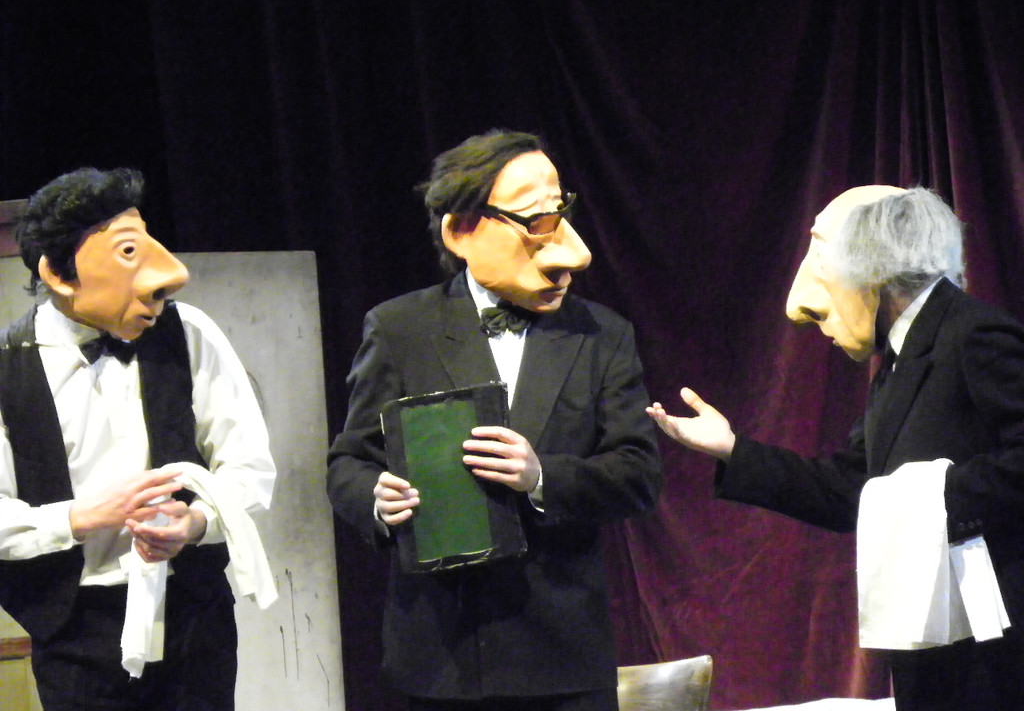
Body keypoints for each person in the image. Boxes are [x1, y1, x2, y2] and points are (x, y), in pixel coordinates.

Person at [648, 184, 1024, 711]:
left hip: (997, 647)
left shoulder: (972, 334)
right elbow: (852, 490)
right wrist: (733, 451)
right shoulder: (899, 362)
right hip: (937, 646)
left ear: (871, 268)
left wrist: (932, 496)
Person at [326, 129, 662, 711]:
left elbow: (638, 473)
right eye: (534, 219)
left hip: (561, 656)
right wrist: (377, 499)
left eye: (559, 213)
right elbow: (348, 462)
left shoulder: (602, 334)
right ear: (462, 231)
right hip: (441, 656)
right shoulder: (400, 329)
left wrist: (541, 477)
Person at [0, 167, 276, 711]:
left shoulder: (188, 332)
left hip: (192, 614)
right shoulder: (7, 367)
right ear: (58, 273)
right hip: (76, 629)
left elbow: (248, 466)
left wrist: (196, 523)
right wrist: (80, 517)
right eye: (128, 252)